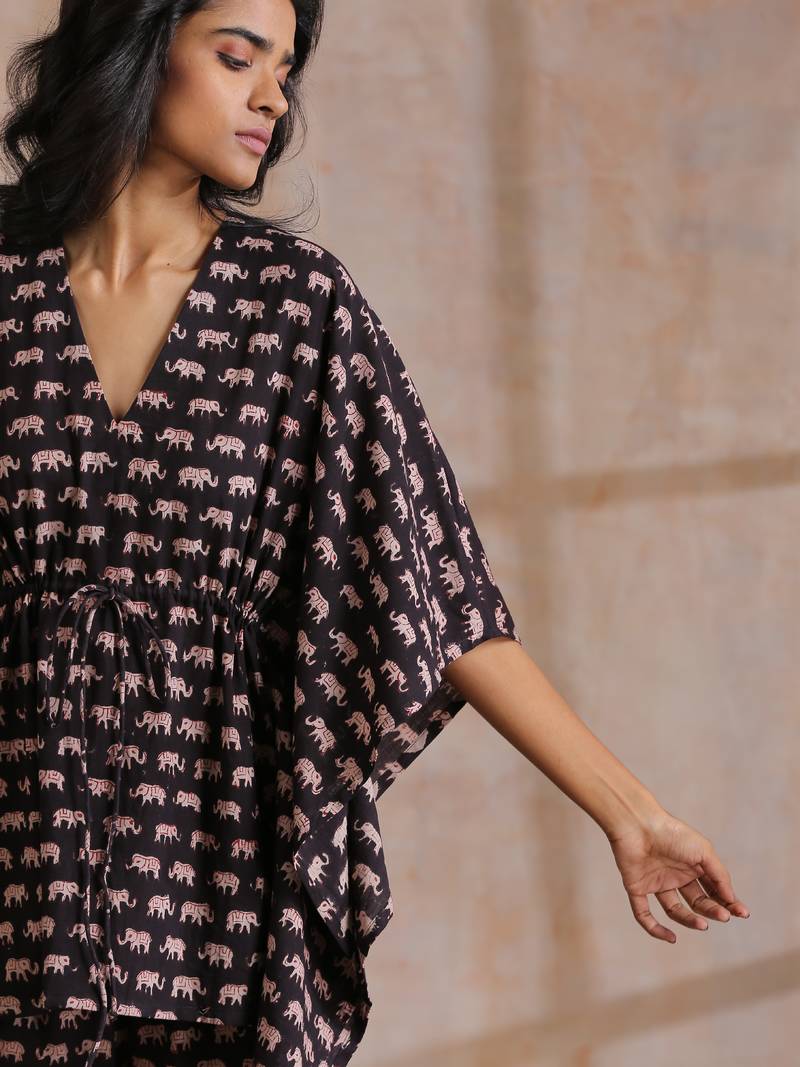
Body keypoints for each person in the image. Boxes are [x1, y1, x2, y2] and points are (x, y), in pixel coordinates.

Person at [0, 1, 749, 1065]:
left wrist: (632, 813)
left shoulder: (298, 308)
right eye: (238, 56)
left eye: (285, 67)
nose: (273, 96)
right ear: (137, 43)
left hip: (215, 872)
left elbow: (435, 589)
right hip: (21, 847)